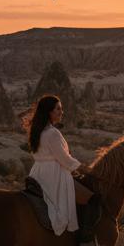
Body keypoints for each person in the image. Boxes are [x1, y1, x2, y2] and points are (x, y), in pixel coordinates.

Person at [25, 95, 81, 237]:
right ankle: (84, 238)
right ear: (49, 111)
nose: (61, 112)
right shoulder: (52, 133)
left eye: (61, 109)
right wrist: (82, 167)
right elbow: (64, 159)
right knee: (86, 197)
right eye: (58, 109)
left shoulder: (38, 130)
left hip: (38, 172)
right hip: (54, 174)